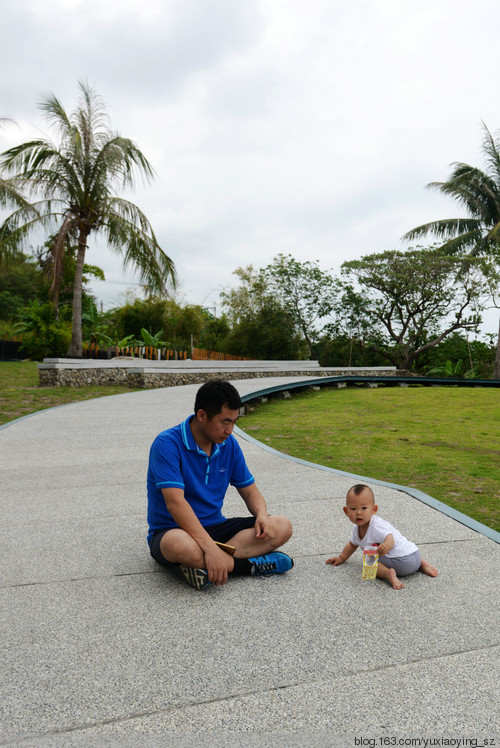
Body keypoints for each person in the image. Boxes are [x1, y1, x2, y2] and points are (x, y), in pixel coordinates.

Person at [147, 380, 294, 590]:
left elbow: (250, 491)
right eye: (225, 422)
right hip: (174, 529)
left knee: (281, 526)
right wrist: (210, 549)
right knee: (180, 545)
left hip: (216, 526)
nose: (230, 430)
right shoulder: (167, 444)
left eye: (234, 422)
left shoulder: (228, 445)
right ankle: (248, 566)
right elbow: (175, 503)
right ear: (202, 416)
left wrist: (262, 514)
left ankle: (204, 567)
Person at [325, 484, 438, 589]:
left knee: (368, 562)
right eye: (353, 509)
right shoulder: (357, 529)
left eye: (364, 508)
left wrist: (386, 546)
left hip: (401, 562)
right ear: (346, 511)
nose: (358, 513)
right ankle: (421, 564)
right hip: (414, 555)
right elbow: (352, 545)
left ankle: (388, 574)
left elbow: (390, 538)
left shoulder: (376, 525)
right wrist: (341, 558)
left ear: (374, 509)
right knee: (372, 550)